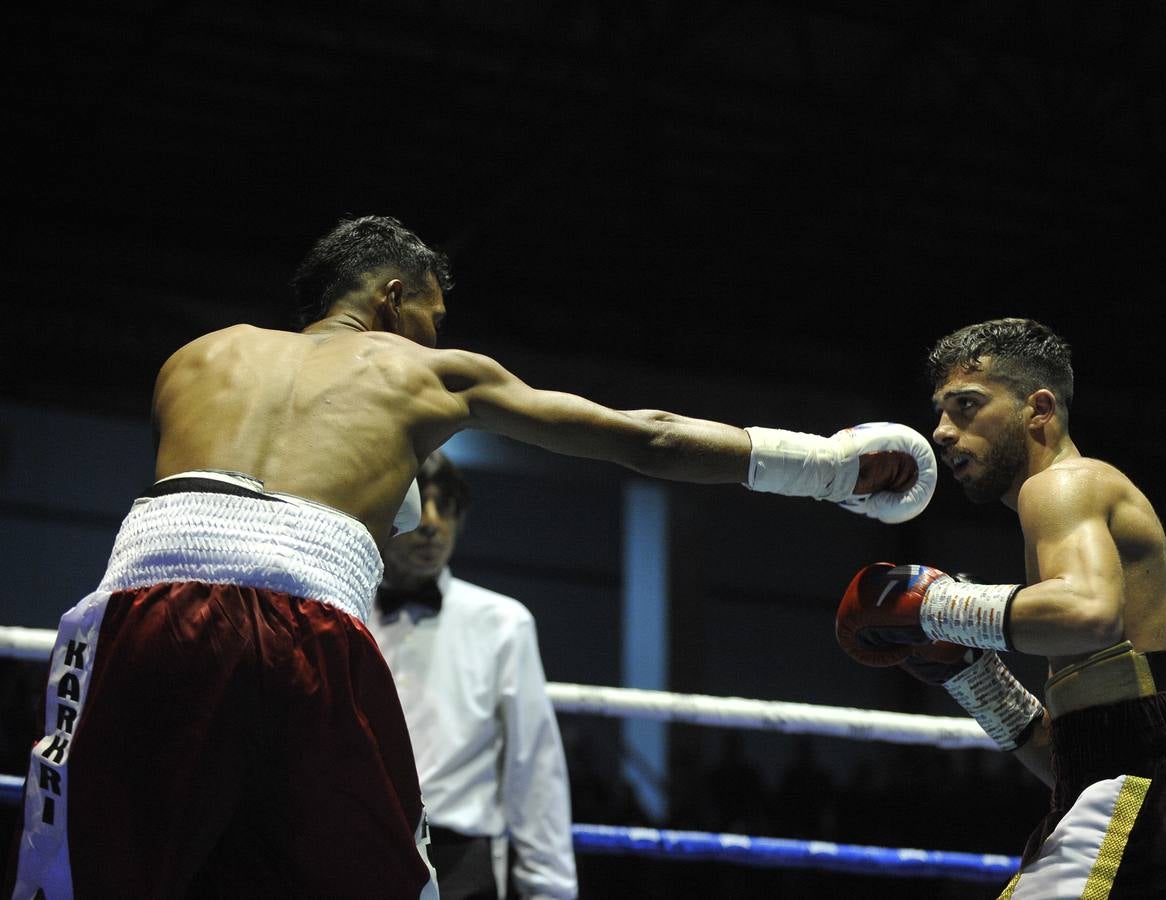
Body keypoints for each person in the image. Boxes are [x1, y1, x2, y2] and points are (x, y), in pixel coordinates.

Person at [7, 214, 938, 900]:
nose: (436, 339)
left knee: (96, 875)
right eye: (433, 316)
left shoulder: (196, 356)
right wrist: (823, 467)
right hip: (309, 619)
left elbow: (211, 515)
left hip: (145, 606)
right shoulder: (424, 371)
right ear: (392, 297)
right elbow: (641, 436)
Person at [833, 318, 1166, 898]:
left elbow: (1088, 611)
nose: (942, 431)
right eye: (940, 411)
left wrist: (931, 604)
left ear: (1038, 409)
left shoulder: (1062, 484)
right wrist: (972, 675)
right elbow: (1077, 758)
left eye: (966, 405)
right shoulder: (1066, 512)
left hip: (1145, 793)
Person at [370, 451, 576, 900]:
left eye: (446, 506)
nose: (431, 523)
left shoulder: (502, 622)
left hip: (462, 858)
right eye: (419, 503)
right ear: (384, 512)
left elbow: (534, 764)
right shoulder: (340, 611)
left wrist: (550, 890)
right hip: (356, 843)